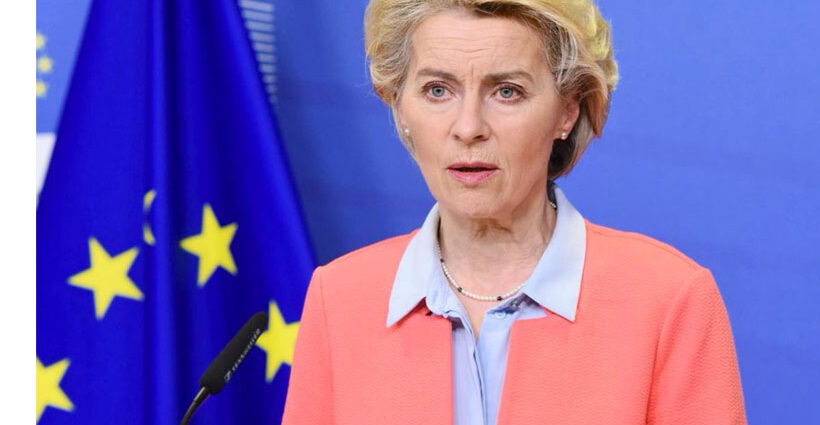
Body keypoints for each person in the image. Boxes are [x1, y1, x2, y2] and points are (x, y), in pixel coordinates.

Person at [281, 1, 747, 424]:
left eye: (507, 91)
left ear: (567, 111)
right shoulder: (338, 298)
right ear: (400, 106)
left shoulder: (668, 301)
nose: (468, 128)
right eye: (438, 90)